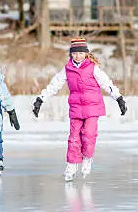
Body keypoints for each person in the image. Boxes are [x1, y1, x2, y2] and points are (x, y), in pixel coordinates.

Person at [32, 38, 127, 181]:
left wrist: (119, 98)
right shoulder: (67, 69)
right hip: (76, 108)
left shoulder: (93, 67)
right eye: (75, 53)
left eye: (81, 53)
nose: (78, 56)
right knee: (73, 138)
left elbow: (106, 83)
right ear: (71, 55)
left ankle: (87, 158)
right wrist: (41, 99)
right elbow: (54, 85)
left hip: (92, 107)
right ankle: (71, 165)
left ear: (86, 54)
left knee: (89, 134)